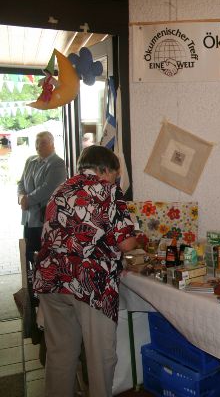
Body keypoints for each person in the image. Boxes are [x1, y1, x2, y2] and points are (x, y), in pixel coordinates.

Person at [33, 145, 137, 397]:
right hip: (89, 283)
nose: (116, 180)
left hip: (51, 279)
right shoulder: (108, 190)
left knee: (60, 354)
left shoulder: (61, 189)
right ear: (105, 170)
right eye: (115, 175)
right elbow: (126, 244)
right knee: (100, 357)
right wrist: (138, 237)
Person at [17, 131, 67, 264]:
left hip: (44, 219)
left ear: (52, 144)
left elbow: (48, 188)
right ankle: (33, 275)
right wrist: (21, 197)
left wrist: (27, 200)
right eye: (37, 142)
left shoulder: (58, 163)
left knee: (45, 256)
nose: (38, 146)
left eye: (43, 143)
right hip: (28, 217)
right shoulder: (30, 161)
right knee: (28, 252)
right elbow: (21, 182)